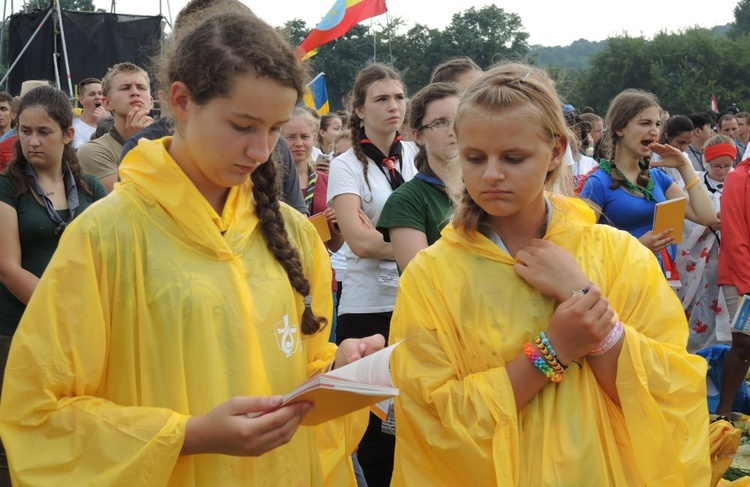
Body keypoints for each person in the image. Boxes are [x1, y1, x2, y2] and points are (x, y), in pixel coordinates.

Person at [0, 11, 381, 485]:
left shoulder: (292, 234)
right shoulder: (105, 236)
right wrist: (188, 436)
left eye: (275, 129)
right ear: (181, 101)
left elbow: (299, 361)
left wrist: (336, 370)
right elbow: (38, 415)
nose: (262, 151)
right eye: (243, 126)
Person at [388, 62, 711, 486]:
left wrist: (589, 309)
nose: (491, 175)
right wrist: (553, 350)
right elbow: (428, 416)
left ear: (556, 152)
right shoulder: (432, 275)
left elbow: (670, 395)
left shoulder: (618, 256)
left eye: (514, 157)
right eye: (474, 157)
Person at [0, 85, 108, 484]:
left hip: (78, 331)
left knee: (72, 428)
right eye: (23, 131)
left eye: (43, 131)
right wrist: (62, 309)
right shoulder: (7, 187)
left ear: (67, 134)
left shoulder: (91, 188)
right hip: (18, 329)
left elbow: (107, 261)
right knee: (16, 435)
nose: (30, 141)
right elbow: (7, 268)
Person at [327, 62, 418, 487]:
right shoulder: (346, 165)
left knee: (415, 423)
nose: (393, 106)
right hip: (368, 307)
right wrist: (419, 247)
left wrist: (390, 242)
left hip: (416, 302)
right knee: (377, 434)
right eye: (381, 99)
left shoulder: (418, 156)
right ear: (359, 109)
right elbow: (358, 243)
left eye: (399, 97)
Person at [580, 89, 716, 285]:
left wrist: (684, 166)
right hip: (621, 288)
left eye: (658, 124)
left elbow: (706, 216)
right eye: (645, 123)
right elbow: (582, 246)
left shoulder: (657, 178)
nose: (654, 131)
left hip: (657, 284)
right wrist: (636, 246)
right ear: (620, 129)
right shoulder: (598, 183)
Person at [377, 82, 460, 271]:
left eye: (460, 119)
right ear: (418, 136)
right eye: (440, 123)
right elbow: (421, 277)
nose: (453, 130)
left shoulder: (484, 187)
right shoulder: (406, 200)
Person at [676, 134, 732, 353]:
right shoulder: (694, 184)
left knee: (725, 307)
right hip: (700, 257)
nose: (722, 171)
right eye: (717, 166)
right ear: (707, 162)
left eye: (727, 166)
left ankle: (723, 353)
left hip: (727, 258)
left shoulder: (739, 184)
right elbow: (684, 222)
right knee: (697, 304)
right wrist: (708, 225)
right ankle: (695, 352)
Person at [77, 62, 154, 192]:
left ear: (151, 101)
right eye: (125, 88)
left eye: (141, 87)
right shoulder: (92, 151)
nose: (135, 92)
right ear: (107, 103)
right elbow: (129, 198)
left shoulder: (171, 139)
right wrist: (137, 143)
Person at [715, 146, 750, 421]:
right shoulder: (739, 177)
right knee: (743, 344)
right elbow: (733, 232)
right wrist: (747, 283)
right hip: (741, 276)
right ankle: (723, 411)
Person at [71, 77, 108, 149]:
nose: (98, 97)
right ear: (81, 100)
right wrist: (104, 125)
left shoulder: (113, 122)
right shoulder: (75, 127)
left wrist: (106, 122)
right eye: (92, 94)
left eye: (100, 93)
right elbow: (81, 154)